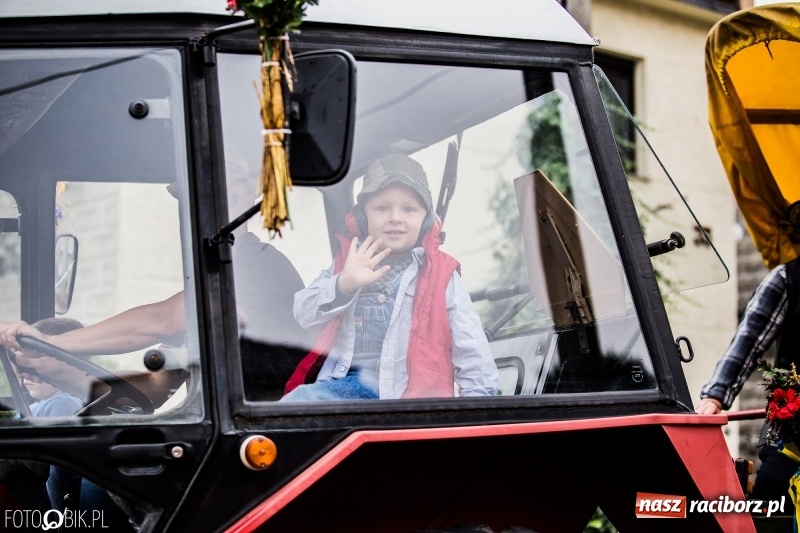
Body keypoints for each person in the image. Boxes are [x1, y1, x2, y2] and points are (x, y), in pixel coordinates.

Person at [0, 158, 308, 401]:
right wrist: (58, 372)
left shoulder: (257, 264)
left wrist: (54, 342)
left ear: (241, 196)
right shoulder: (217, 272)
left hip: (262, 434)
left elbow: (163, 320)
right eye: (188, 201)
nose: (192, 210)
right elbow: (155, 388)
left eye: (205, 194)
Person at [283, 154, 498, 401]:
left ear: (428, 221)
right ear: (360, 219)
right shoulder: (346, 263)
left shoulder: (443, 276)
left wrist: (472, 413)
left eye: (408, 209)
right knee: (293, 407)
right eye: (382, 208)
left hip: (416, 402)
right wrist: (344, 284)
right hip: (349, 389)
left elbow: (472, 352)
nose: (395, 217)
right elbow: (303, 314)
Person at [697, 256, 800, 513]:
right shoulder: (788, 278)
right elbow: (748, 341)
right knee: (771, 497)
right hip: (792, 438)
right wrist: (715, 396)